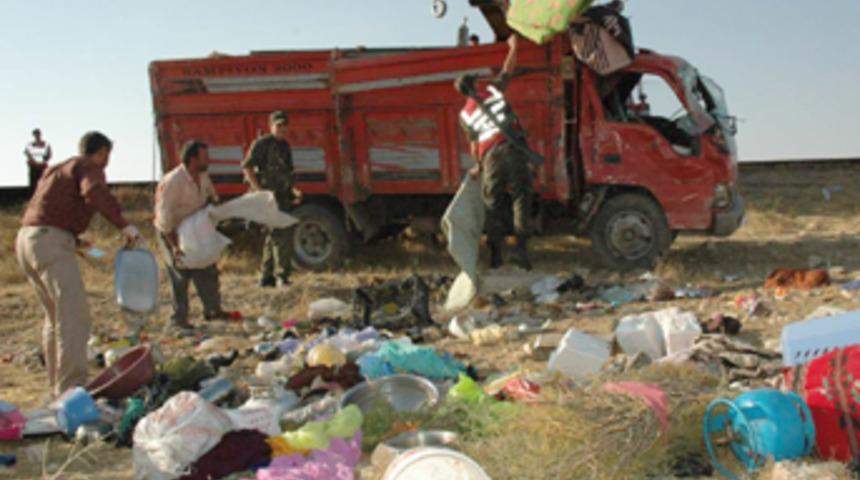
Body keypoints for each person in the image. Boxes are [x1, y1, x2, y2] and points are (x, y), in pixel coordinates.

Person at [16, 131, 141, 398]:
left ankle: (58, 388)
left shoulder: (57, 170)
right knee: (74, 317)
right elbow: (94, 192)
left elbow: (50, 208)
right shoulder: (88, 166)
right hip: (49, 241)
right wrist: (124, 225)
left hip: (28, 241)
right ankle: (72, 390)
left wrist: (73, 238)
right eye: (107, 156)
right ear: (103, 152)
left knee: (55, 318)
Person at [455, 34, 534, 271]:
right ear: (475, 84)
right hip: (513, 150)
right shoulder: (492, 90)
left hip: (490, 157)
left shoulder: (465, 115)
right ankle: (520, 251)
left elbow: (473, 142)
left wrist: (478, 164)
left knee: (493, 205)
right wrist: (513, 47)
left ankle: (496, 256)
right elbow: (508, 69)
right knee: (521, 199)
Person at [154, 140, 237, 333]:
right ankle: (178, 320)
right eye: (204, 157)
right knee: (180, 273)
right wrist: (175, 246)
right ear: (192, 159)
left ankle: (213, 310)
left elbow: (211, 197)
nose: (208, 160)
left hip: (194, 227)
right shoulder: (173, 182)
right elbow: (165, 220)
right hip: (171, 231)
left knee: (207, 268)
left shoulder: (202, 175)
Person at [242, 111, 303, 287]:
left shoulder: (285, 146)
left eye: (285, 125)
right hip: (268, 198)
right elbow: (247, 167)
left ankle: (266, 277)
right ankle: (282, 276)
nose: (282, 129)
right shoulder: (262, 144)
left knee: (273, 235)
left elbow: (288, 173)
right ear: (271, 126)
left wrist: (294, 192)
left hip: (282, 196)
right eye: (278, 125)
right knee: (282, 233)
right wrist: (259, 191)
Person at [24, 128, 52, 197]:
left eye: (38, 134)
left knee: (43, 183)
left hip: (42, 167)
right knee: (33, 184)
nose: (37, 136)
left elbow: (49, 155)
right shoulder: (29, 145)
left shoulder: (45, 144)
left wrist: (43, 161)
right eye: (35, 134)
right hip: (33, 167)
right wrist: (34, 161)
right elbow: (27, 154)